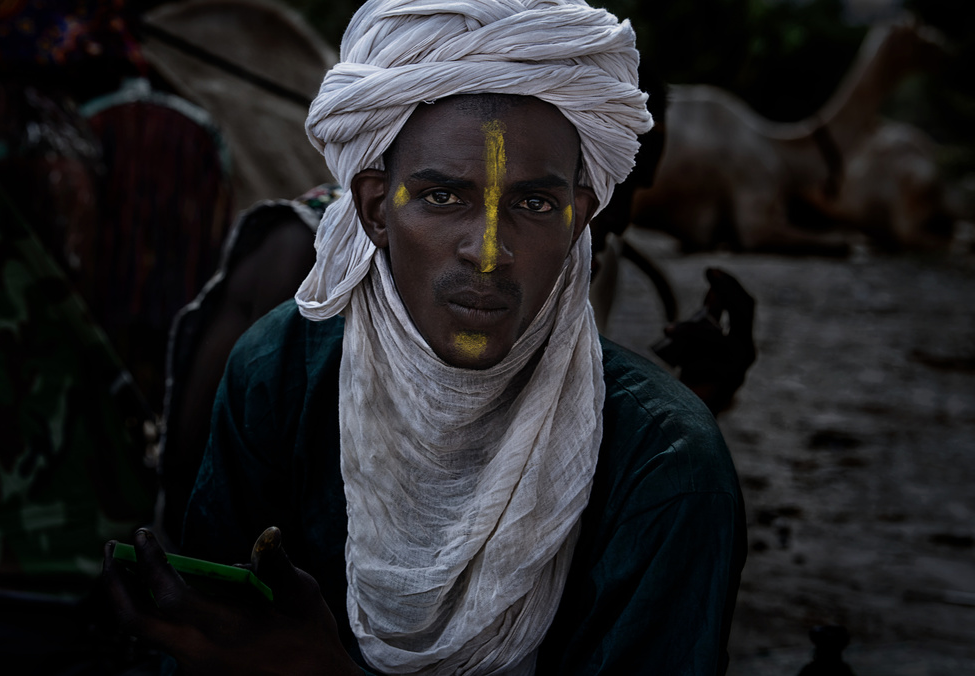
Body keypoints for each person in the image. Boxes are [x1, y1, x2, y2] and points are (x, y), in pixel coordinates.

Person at [102, 1, 747, 674]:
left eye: (532, 204)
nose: (488, 251)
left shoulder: (670, 469)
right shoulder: (279, 372)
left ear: (580, 218)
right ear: (377, 208)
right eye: (444, 198)